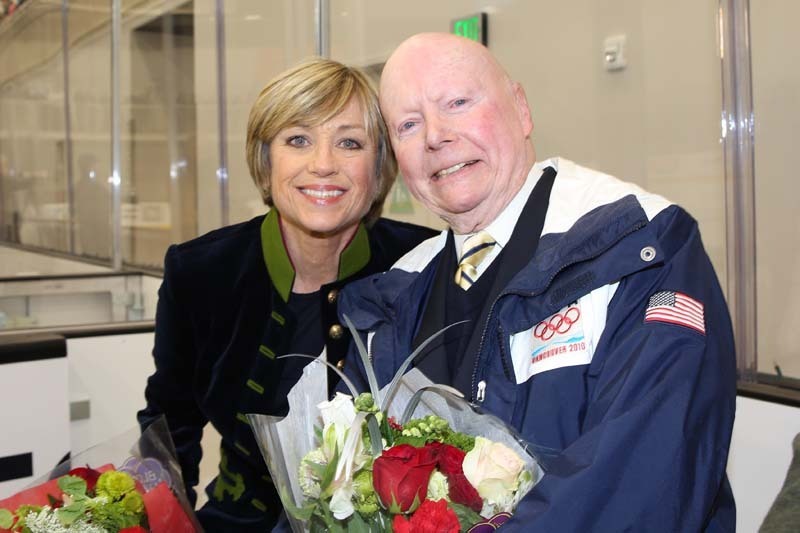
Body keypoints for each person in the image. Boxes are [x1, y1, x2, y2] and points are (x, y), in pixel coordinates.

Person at [339, 33, 737, 531]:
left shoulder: (641, 245)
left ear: (521, 109)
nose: (435, 137)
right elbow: (347, 479)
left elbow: (645, 477)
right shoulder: (394, 294)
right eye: (408, 124)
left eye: (458, 103)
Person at [137, 58, 436, 532]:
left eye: (350, 143)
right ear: (265, 161)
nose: (323, 164)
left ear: (379, 168)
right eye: (298, 140)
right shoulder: (200, 272)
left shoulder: (424, 265)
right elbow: (170, 431)